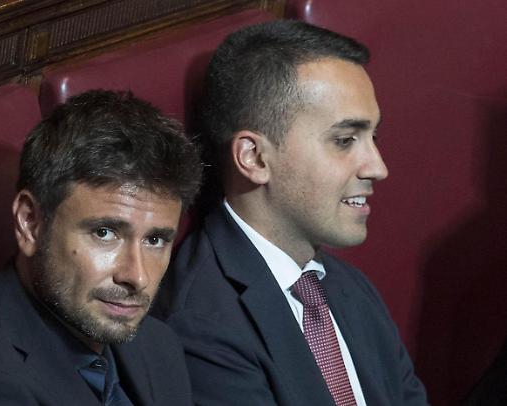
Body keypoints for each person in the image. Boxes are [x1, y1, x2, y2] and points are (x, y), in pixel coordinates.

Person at [153, 20, 428, 405]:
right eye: (344, 140)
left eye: (373, 137)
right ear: (254, 157)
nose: (377, 167)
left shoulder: (349, 287)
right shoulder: (200, 324)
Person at [0, 90, 202, 405]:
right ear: (30, 223)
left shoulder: (157, 342)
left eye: (155, 240)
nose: (137, 276)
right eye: (105, 233)